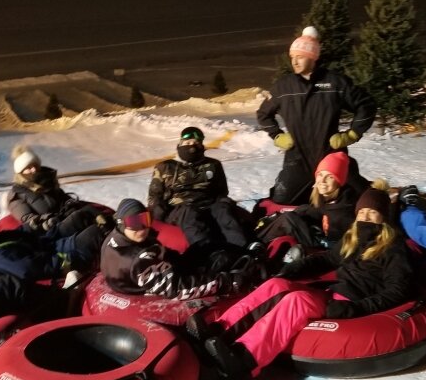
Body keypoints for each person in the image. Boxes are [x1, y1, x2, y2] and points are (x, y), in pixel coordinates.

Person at [187, 185, 413, 380]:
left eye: (372, 213)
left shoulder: (393, 248)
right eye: (362, 212)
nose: (365, 217)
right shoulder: (353, 238)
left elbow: (398, 289)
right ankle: (219, 331)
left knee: (297, 301)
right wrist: (293, 270)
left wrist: (356, 308)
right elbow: (328, 259)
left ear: (383, 218)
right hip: (334, 292)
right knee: (276, 284)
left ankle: (244, 359)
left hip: (351, 301)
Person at [257, 26, 376, 205]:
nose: (295, 62)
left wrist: (352, 134)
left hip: (330, 155)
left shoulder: (334, 82)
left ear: (313, 58)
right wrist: (277, 135)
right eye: (292, 57)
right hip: (298, 157)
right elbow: (263, 114)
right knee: (283, 200)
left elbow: (366, 105)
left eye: (300, 57)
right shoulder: (284, 86)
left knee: (360, 199)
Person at [100, 198, 263, 301]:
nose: (142, 228)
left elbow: (163, 256)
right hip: (159, 285)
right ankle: (255, 272)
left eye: (145, 219)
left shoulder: (114, 238)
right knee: (220, 261)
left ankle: (246, 252)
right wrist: (226, 281)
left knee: (206, 247)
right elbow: (177, 289)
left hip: (151, 274)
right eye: (135, 223)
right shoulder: (138, 259)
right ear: (122, 224)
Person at [147, 126, 261, 256]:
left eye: (196, 143)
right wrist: (159, 216)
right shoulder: (165, 167)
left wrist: (222, 201)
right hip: (179, 207)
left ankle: (242, 249)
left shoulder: (213, 165)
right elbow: (154, 195)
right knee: (189, 214)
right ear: (180, 144)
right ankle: (208, 252)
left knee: (223, 210)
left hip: (208, 204)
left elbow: (221, 190)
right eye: (188, 143)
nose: (192, 146)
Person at [256, 151, 371, 260]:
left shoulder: (344, 210)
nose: (322, 181)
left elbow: (342, 247)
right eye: (320, 175)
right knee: (296, 213)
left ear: (339, 181)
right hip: (322, 238)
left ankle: (258, 243)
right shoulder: (330, 197)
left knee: (289, 220)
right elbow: (319, 210)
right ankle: (258, 239)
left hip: (327, 249)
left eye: (330, 177)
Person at [0, 212, 100, 289]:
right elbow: (34, 268)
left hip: (46, 246)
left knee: (81, 217)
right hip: (58, 263)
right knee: (95, 235)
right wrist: (72, 257)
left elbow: (16, 235)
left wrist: (34, 226)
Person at [4, 145, 108, 240]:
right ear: (21, 171)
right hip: (50, 230)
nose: (34, 169)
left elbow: (63, 198)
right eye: (28, 167)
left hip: (63, 218)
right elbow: (27, 218)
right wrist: (47, 220)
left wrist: (70, 202)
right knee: (83, 220)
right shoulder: (17, 194)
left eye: (35, 165)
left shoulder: (47, 182)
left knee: (91, 211)